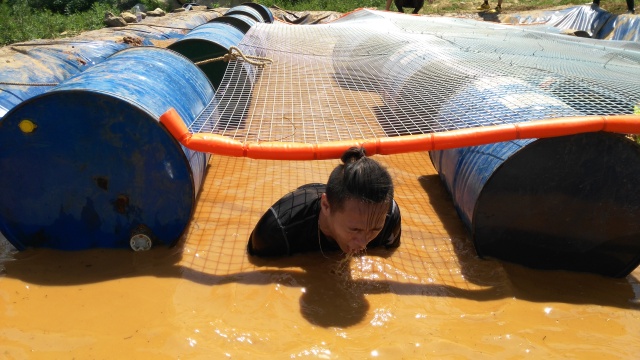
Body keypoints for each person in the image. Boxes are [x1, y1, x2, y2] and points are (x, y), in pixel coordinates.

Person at [247, 147, 402, 257]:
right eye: (355, 230)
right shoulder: (276, 232)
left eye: (375, 229)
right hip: (308, 197)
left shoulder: (389, 219)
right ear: (326, 205)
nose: (363, 244)